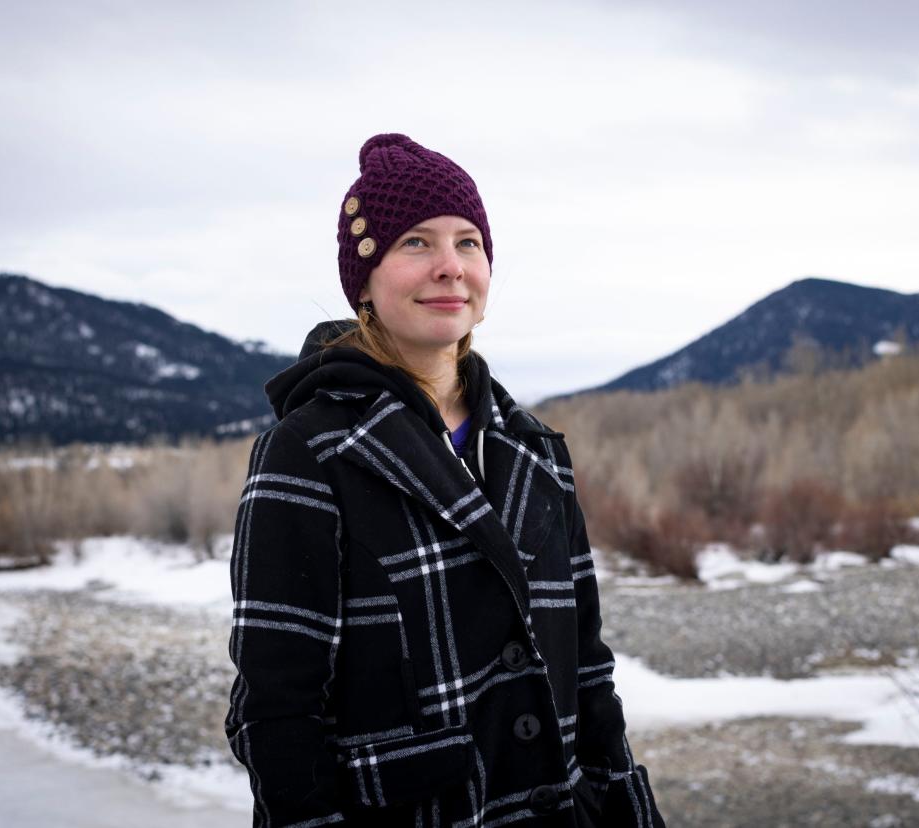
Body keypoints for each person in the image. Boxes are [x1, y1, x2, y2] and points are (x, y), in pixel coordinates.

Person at [225, 133, 665, 827]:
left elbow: (585, 666)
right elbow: (276, 710)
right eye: (415, 244)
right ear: (363, 282)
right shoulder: (308, 450)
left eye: (468, 242)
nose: (450, 268)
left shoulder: (534, 449)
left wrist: (624, 808)